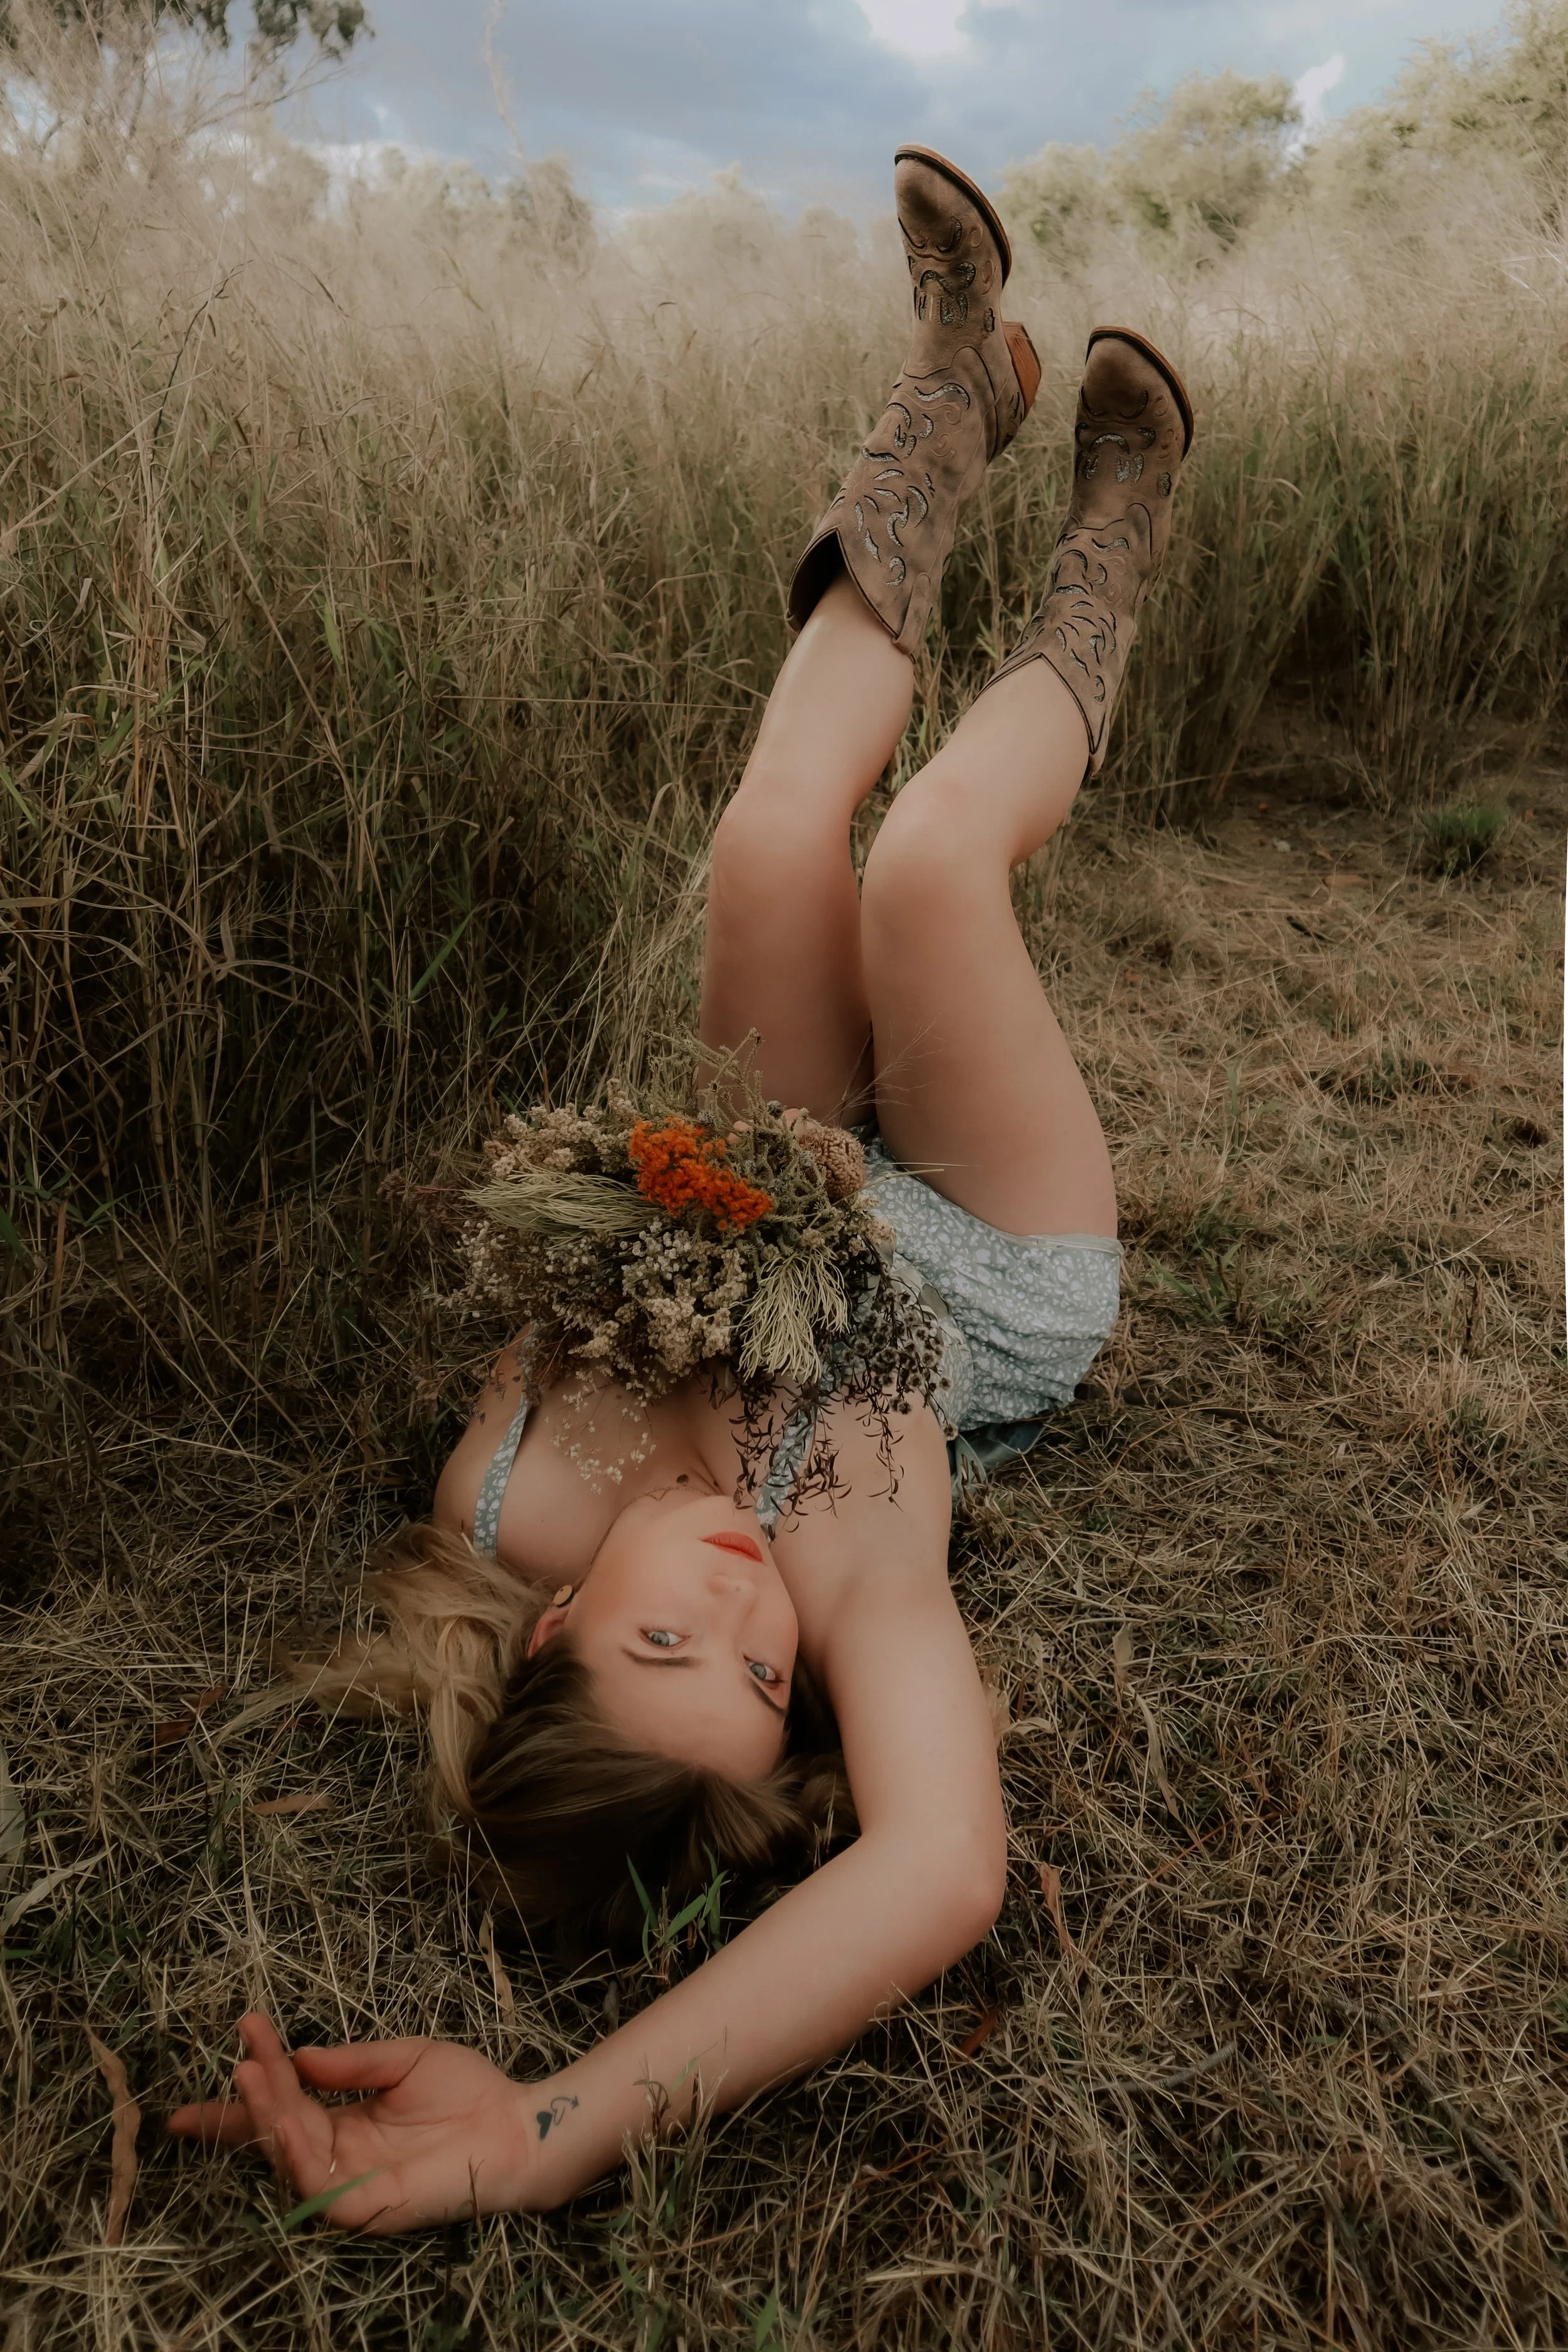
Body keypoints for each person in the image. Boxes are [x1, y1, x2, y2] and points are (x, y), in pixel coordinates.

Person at [169, 145, 1193, 2232]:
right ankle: (1115, 547)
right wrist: (546, 2132)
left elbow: (625, 1219)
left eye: (662, 1628)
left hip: (764, 1193)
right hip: (975, 1267)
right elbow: (939, 1866)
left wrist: (680, 1194)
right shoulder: (848, 1567)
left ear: (555, 1609)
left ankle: (945, 395)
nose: (736, 1604)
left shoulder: (504, 1479)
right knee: (920, 872)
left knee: (765, 845)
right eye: (752, 1680)